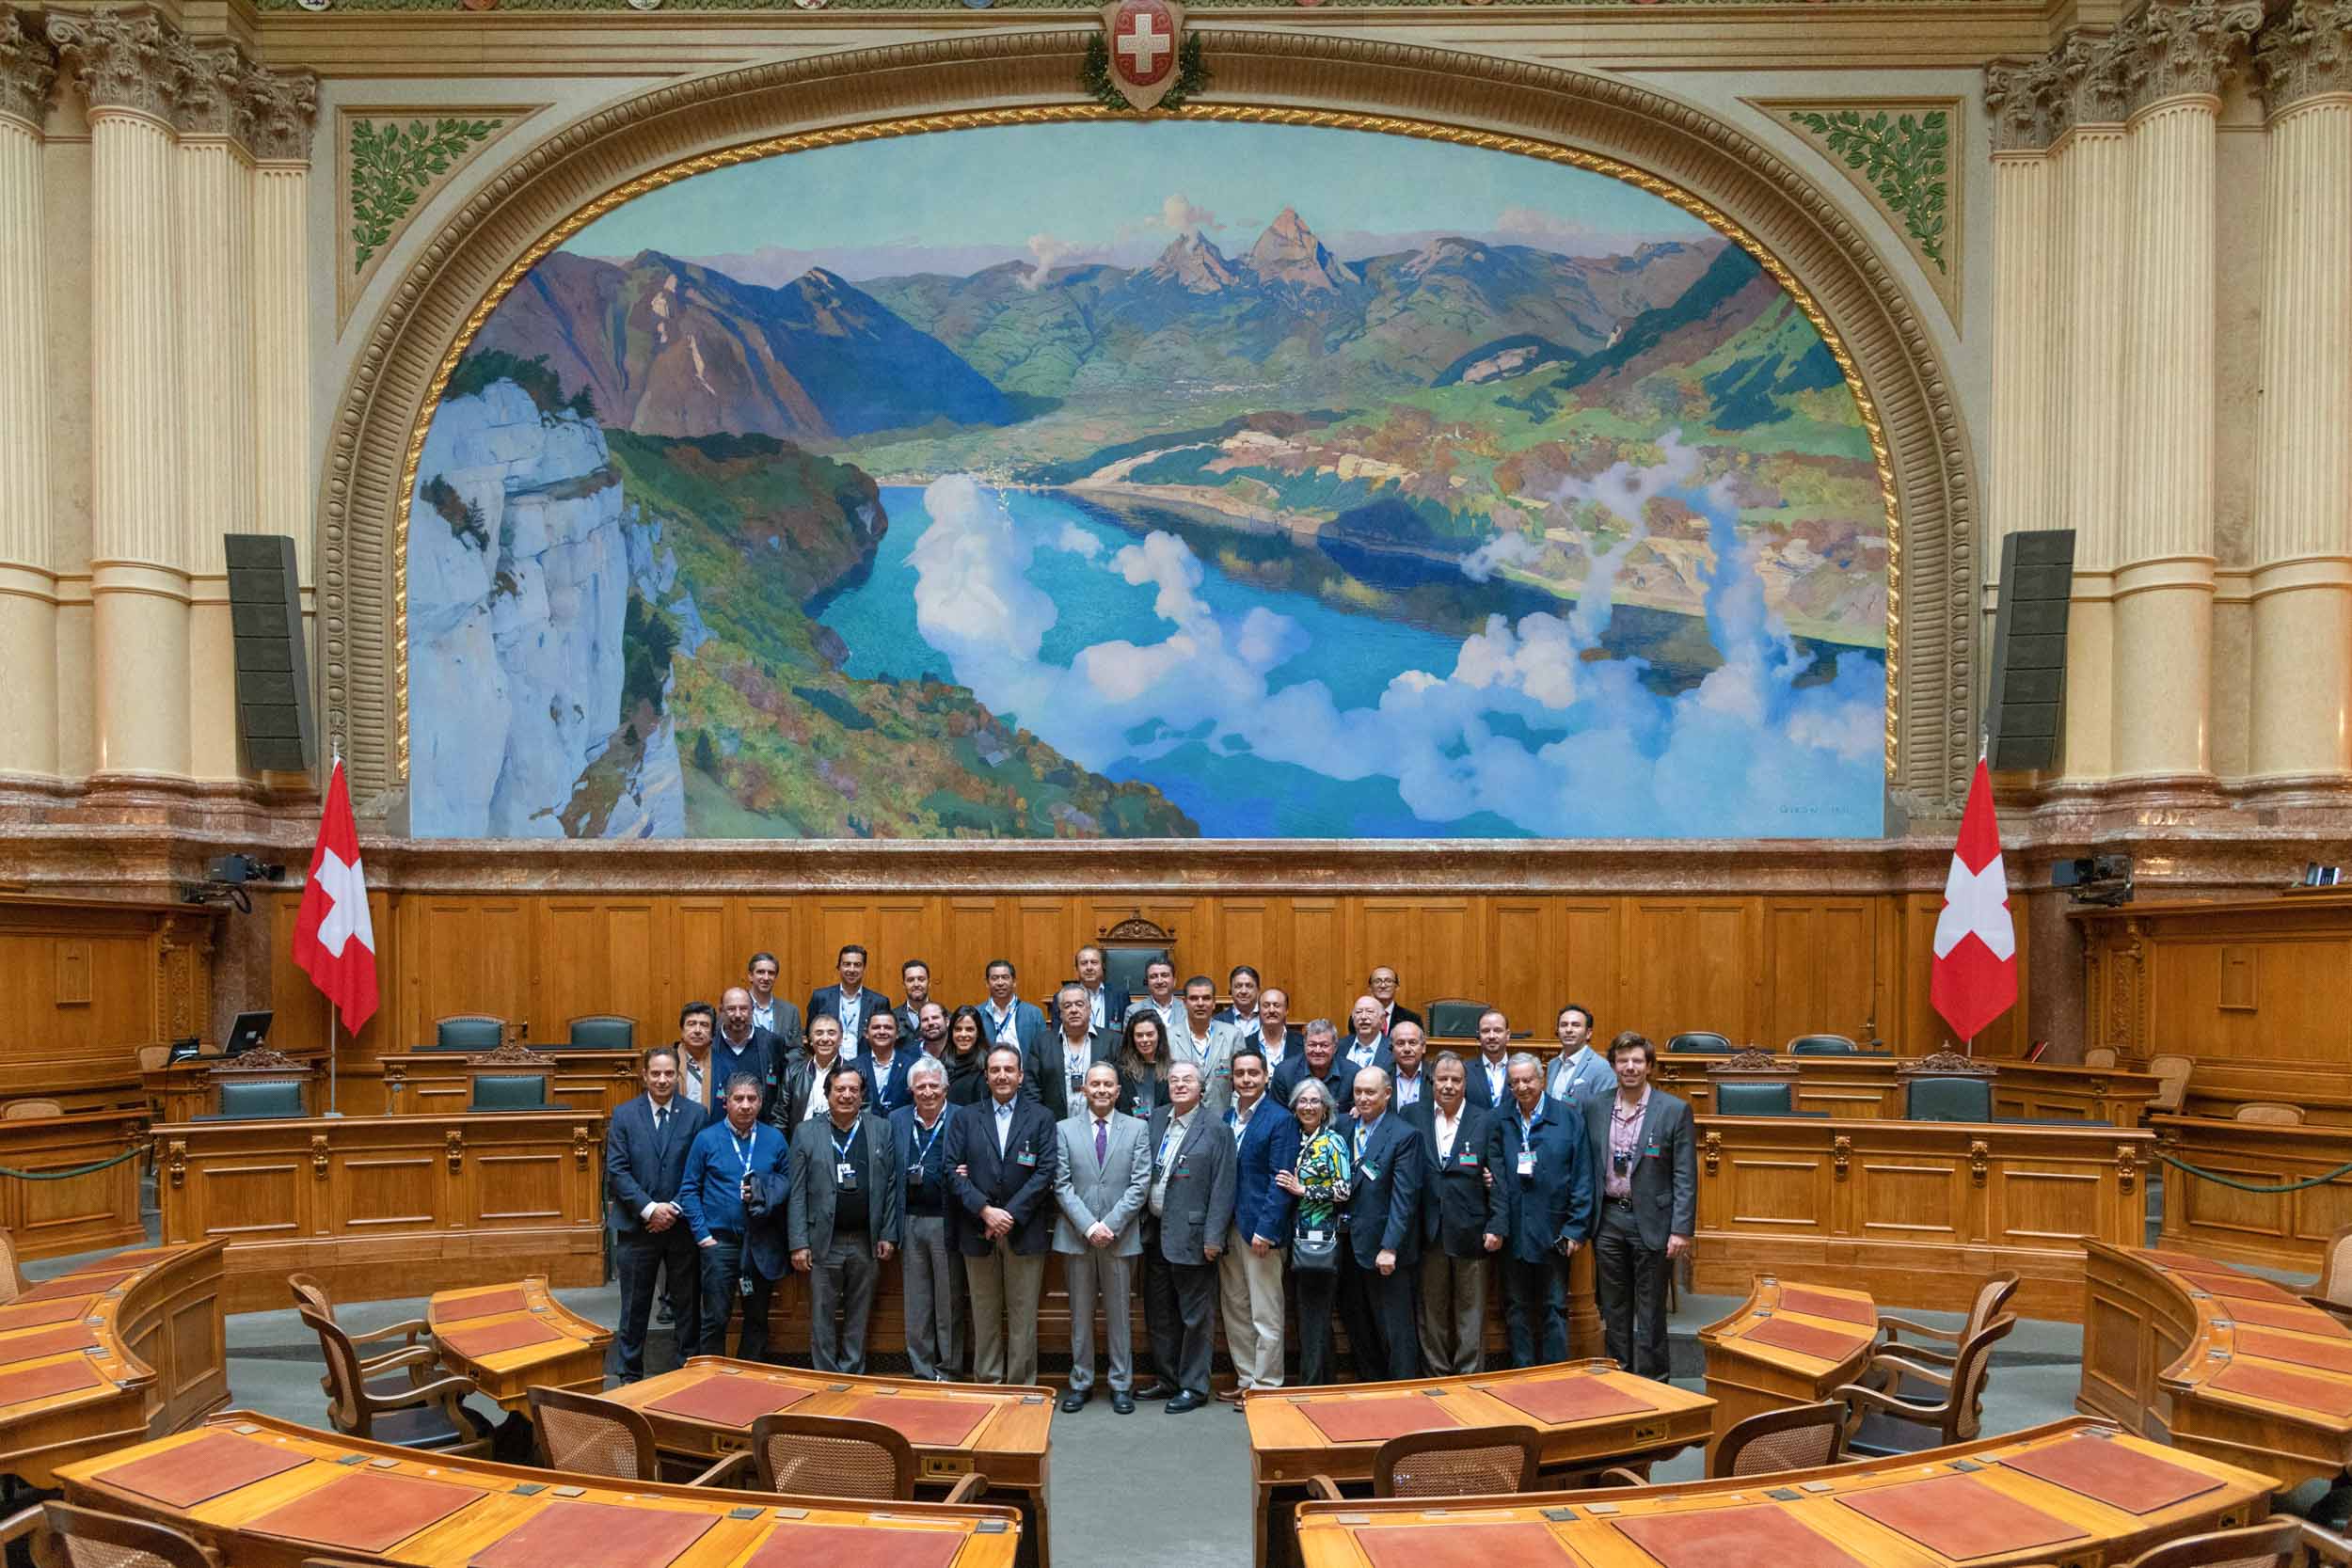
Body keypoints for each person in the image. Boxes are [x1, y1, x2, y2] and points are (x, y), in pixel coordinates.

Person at [1584, 1032, 1696, 1381]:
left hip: (1654, 1222)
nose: (1629, 1067)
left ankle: (1654, 1382)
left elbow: (1685, 1175)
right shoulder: (1596, 1106)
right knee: (1614, 1309)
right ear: (1613, 1065)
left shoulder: (1674, 1110)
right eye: (1622, 1060)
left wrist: (1681, 1229)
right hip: (1608, 1219)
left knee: (1650, 1311)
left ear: (1649, 1066)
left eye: (1637, 1061)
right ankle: (1619, 1378)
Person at [946, 1046, 1058, 1386]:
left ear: (1021, 1076)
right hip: (977, 1229)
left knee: (1024, 1315)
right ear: (986, 1076)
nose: (1002, 1076)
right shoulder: (965, 1117)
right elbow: (951, 1169)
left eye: (1009, 1069)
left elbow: (1046, 1171)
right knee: (984, 1314)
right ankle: (988, 1385)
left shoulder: (1041, 1117)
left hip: (1024, 1231)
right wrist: (984, 1210)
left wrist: (1008, 1215)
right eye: (995, 1070)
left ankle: (1021, 1387)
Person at [788, 1060, 900, 1374]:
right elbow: (797, 1192)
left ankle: (852, 1374)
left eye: (854, 1089)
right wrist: (798, 1242)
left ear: (863, 1094)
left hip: (867, 1240)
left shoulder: (881, 1128)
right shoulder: (806, 1132)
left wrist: (888, 1234)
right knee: (822, 1314)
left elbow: (890, 1184)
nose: (847, 1095)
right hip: (823, 1241)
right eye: (840, 1089)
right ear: (827, 1093)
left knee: (859, 1312)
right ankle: (824, 1376)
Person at [605, 1044, 708, 1382]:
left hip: (681, 1227)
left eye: (669, 1074)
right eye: (656, 1074)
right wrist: (650, 1210)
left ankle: (686, 1371)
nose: (662, 1080)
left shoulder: (695, 1114)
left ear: (677, 1076)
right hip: (638, 1227)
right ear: (644, 1076)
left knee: (686, 1304)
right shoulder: (624, 1114)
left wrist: (672, 1209)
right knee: (635, 1306)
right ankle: (629, 1376)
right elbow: (617, 1171)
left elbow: (698, 1170)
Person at [1136, 1061, 1235, 1413]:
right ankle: (1168, 1379)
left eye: (1187, 1080)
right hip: (1154, 1234)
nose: (1179, 1085)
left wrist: (1214, 1237)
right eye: (1174, 1080)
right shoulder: (1158, 1118)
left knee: (1196, 1317)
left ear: (1201, 1086)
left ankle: (1194, 1386)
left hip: (1194, 1237)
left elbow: (1224, 1187)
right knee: (1160, 1313)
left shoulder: (1216, 1128)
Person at [1052, 1061, 1150, 1415]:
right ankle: (1081, 1381)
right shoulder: (1063, 1129)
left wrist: (1110, 1224)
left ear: (1118, 1090)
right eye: (1095, 1084)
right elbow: (1061, 1185)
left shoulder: (1138, 1129)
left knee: (1119, 1314)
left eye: (1109, 1084)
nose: (1102, 1090)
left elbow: (1140, 1185)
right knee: (1080, 1314)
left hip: (1120, 1237)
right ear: (1085, 1089)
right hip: (1077, 1237)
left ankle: (1121, 1384)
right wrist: (1090, 1227)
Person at [1486, 1052, 1593, 1368]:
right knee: (1516, 1307)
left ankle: (1555, 1374)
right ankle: (1522, 1373)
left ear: (1542, 1079)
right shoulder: (1499, 1119)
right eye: (1515, 1082)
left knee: (1554, 1307)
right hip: (1514, 1230)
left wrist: (1576, 1228)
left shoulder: (1568, 1117)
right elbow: (1494, 1172)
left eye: (1528, 1080)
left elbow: (1583, 1176)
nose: (1522, 1087)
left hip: (1555, 1233)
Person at [677, 1072, 790, 1361]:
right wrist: (703, 1236)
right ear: (725, 1102)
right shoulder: (707, 1139)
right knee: (716, 1317)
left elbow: (788, 1182)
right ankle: (711, 1380)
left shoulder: (774, 1139)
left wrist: (766, 1193)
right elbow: (689, 1189)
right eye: (738, 1099)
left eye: (752, 1099)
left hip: (760, 1242)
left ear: (761, 1103)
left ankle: (749, 1378)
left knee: (757, 1318)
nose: (745, 1105)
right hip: (720, 1243)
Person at [1218, 1047, 1297, 1402]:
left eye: (1253, 1073)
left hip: (1260, 1232)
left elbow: (1281, 1181)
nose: (1247, 1079)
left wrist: (1266, 1229)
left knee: (1265, 1311)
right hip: (1229, 1228)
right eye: (1240, 1074)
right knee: (1235, 1306)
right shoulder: (1225, 1118)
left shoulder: (1280, 1119)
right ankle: (1247, 1378)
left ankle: (1267, 1385)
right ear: (1232, 1079)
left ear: (1266, 1076)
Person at [1335, 1066, 1422, 1381]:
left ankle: (1402, 1389)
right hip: (1346, 1244)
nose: (1363, 1097)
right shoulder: (1344, 1127)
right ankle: (1371, 1384)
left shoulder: (1404, 1135)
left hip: (1383, 1249)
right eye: (1358, 1091)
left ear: (1387, 1093)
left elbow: (1404, 1199)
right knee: (1356, 1321)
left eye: (1370, 1092)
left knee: (1394, 1326)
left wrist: (1390, 1247)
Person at [1418, 1053, 1499, 1375]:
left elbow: (1500, 1177)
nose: (1448, 1086)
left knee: (1471, 1310)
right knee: (1431, 1311)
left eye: (1455, 1080)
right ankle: (1436, 1375)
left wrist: (1496, 1224)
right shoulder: (1413, 1115)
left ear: (1465, 1084)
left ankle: (1468, 1379)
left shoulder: (1485, 1119)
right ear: (1432, 1082)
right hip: (1427, 1229)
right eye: (1442, 1079)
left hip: (1471, 1229)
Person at [893, 1056, 965, 1381]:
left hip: (947, 1221)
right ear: (910, 1089)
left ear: (945, 1087)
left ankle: (948, 1368)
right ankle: (922, 1370)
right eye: (920, 1086)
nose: (927, 1092)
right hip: (908, 1220)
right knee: (916, 1301)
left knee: (948, 1299)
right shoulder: (895, 1120)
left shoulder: (963, 1117)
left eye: (933, 1085)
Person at [1278, 1079, 1350, 1386]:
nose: (1308, 1107)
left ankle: (1313, 1385)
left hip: (1319, 1239)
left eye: (1315, 1102)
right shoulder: (1289, 1139)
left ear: (1326, 1109)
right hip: (1288, 1237)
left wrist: (1303, 1189)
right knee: (1302, 1314)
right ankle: (1320, 1379)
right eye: (1303, 1101)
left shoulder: (1333, 1142)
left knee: (1316, 1315)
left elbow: (1344, 1189)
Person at [1037, 983, 1118, 1123]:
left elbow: (1119, 1090)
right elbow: (1032, 1091)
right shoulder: (1042, 1043)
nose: (1074, 1010)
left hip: (1101, 1128)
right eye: (1067, 1006)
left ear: (1089, 1008)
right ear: (1060, 1012)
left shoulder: (1112, 1041)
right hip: (1054, 1128)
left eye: (1079, 1004)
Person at [1173, 974, 1240, 1117]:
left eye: (1206, 998)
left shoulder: (1233, 1034)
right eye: (1194, 998)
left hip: (1221, 1118)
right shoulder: (1168, 1037)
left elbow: (1240, 1083)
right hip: (1182, 1117)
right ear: (1184, 1003)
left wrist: (1233, 1113)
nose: (1200, 1003)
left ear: (1214, 1002)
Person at [808, 944, 890, 1058]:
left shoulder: (879, 1002)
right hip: (829, 1065)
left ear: (864, 968)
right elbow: (810, 1034)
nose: (852, 970)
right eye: (847, 964)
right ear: (839, 967)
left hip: (864, 1067)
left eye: (857, 965)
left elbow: (884, 1039)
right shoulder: (820, 998)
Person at [715, 987, 780, 1116]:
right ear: (721, 1011)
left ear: (752, 1011)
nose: (738, 1015)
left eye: (743, 1009)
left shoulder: (772, 1043)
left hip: (762, 1127)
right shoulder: (710, 1044)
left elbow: (780, 1090)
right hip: (717, 1128)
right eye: (731, 1009)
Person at [775, 1014, 845, 1127]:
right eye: (819, 1033)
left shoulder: (855, 1074)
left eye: (831, 1033)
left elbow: (863, 1117)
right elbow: (780, 1117)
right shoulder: (793, 1073)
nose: (825, 1039)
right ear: (810, 1040)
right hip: (801, 1142)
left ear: (841, 1039)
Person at [978, 958, 1049, 1062]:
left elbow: (1043, 1051)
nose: (1000, 982)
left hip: (1024, 1076)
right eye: (995, 978)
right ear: (987, 983)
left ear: (1014, 981)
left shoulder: (1034, 1014)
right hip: (988, 1076)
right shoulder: (977, 1014)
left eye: (1005, 977)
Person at [1272, 1020, 1349, 1109]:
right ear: (1304, 1045)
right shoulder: (1284, 1073)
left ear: (1335, 1047)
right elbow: (1276, 1113)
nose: (1317, 1050)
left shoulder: (1351, 1074)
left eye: (1324, 1045)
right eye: (1312, 1045)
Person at [1548, 1004, 1614, 1106]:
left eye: (1576, 1025)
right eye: (1564, 1025)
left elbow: (1604, 1111)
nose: (1568, 1030)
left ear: (1588, 1033)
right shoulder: (1553, 1064)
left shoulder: (1602, 1068)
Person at [857, 1009, 916, 1117]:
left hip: (900, 1129)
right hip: (865, 1130)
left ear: (897, 1033)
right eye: (876, 1027)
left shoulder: (912, 1066)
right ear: (866, 1033)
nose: (882, 1032)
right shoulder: (854, 1066)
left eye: (888, 1028)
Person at [1116, 1010, 1173, 1120]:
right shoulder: (1120, 1071)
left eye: (1150, 1034)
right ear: (1132, 1038)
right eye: (1139, 1035)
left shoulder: (1173, 1069)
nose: (1145, 1040)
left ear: (1159, 1035)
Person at [746, 952, 803, 1056]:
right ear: (750, 976)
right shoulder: (735, 1007)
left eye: (771, 973)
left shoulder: (790, 1011)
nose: (766, 978)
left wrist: (781, 1064)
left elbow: (797, 1050)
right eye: (761, 972)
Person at [1463, 1009, 1516, 1110]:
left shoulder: (1520, 1069)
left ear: (1508, 1035)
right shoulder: (1465, 1070)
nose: (1492, 1036)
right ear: (1479, 1035)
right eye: (1486, 1031)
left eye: (1497, 1030)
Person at [941, 1005, 992, 1104]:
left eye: (969, 1029)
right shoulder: (941, 1063)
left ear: (978, 1033)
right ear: (951, 1032)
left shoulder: (987, 1066)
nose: (963, 1035)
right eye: (958, 1029)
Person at [675, 1001, 721, 1111]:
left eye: (704, 1025)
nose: (697, 1031)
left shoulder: (726, 1066)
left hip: (711, 1126)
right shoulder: (667, 1062)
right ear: (682, 1030)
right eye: (691, 1024)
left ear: (712, 1033)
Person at [1074, 944, 1127, 1032]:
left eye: (1094, 962)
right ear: (1077, 968)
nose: (1089, 968)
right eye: (1084, 963)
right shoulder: (1062, 998)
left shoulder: (1120, 995)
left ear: (1103, 966)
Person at [1388, 1020, 1433, 1122]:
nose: (1407, 1049)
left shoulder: (1435, 1075)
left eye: (1412, 1043)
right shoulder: (1381, 1077)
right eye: (1400, 1043)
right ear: (1392, 1048)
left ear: (1423, 1047)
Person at [1341, 996, 1391, 1075]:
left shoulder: (1392, 1049)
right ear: (1353, 1018)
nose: (1363, 1017)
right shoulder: (1339, 1046)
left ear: (1382, 1019)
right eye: (1358, 1012)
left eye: (1370, 1012)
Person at [1254, 988, 1298, 1078]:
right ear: (1259, 1010)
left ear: (1286, 1010)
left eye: (1276, 1005)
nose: (1271, 1010)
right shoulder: (1245, 1043)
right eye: (1266, 1006)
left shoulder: (1301, 1042)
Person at [1216, 965, 1263, 1041]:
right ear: (1231, 990)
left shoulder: (1270, 1018)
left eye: (1249, 986)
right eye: (1238, 986)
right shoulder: (1218, 1021)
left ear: (1258, 990)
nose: (1243, 991)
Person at [893, 959, 935, 1043]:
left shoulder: (944, 1018)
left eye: (921, 979)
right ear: (904, 985)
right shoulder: (892, 1018)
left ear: (929, 983)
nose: (916, 984)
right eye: (911, 980)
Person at [1369, 966, 1421, 1034]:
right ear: (1370, 988)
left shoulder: (1412, 1019)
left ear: (1397, 987)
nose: (1383, 985)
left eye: (1388, 981)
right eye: (1377, 981)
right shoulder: (1359, 1017)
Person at [1137, 958, 1182, 1035]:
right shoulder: (1134, 1011)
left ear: (1174, 981)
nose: (1159, 981)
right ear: (1147, 982)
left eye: (1165, 975)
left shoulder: (1187, 1010)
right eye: (1153, 976)